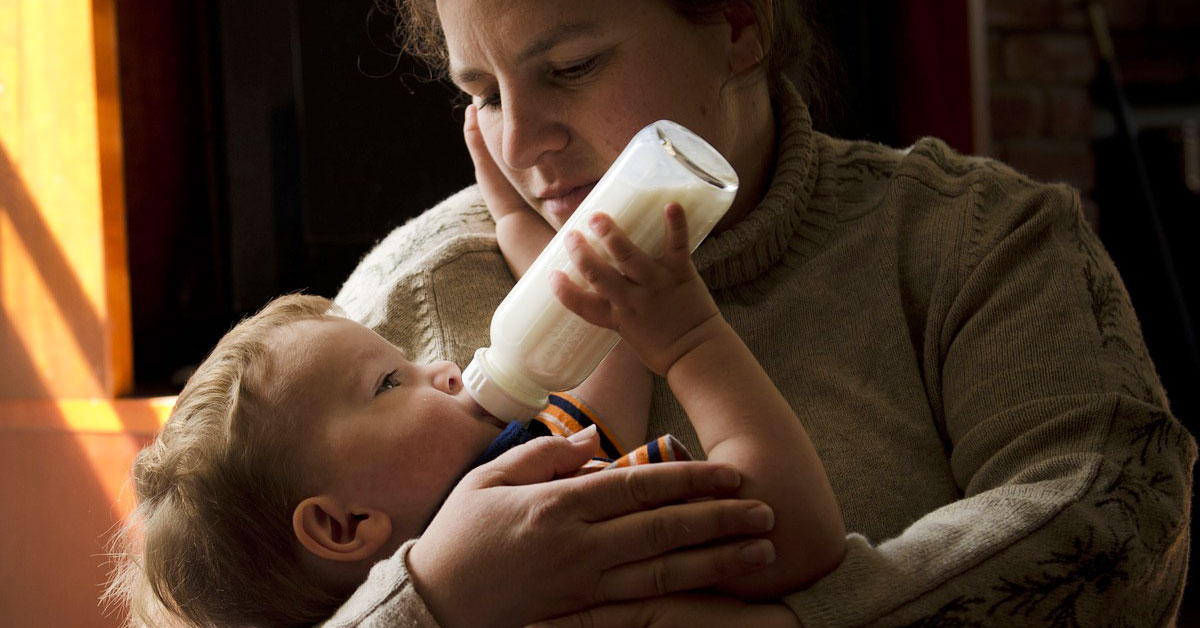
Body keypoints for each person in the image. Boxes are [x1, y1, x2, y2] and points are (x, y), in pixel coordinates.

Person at [332, 0, 1197, 626]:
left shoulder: (978, 243)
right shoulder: (408, 295)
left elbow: (1115, 534)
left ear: (740, 25)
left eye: (571, 68)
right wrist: (432, 599)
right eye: (481, 94)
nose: (521, 146)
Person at [106, 205, 848, 627]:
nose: (444, 365)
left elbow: (601, 353)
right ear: (342, 526)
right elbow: (792, 534)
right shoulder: (545, 536)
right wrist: (692, 340)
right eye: (390, 382)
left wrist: (525, 219)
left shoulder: (514, 461)